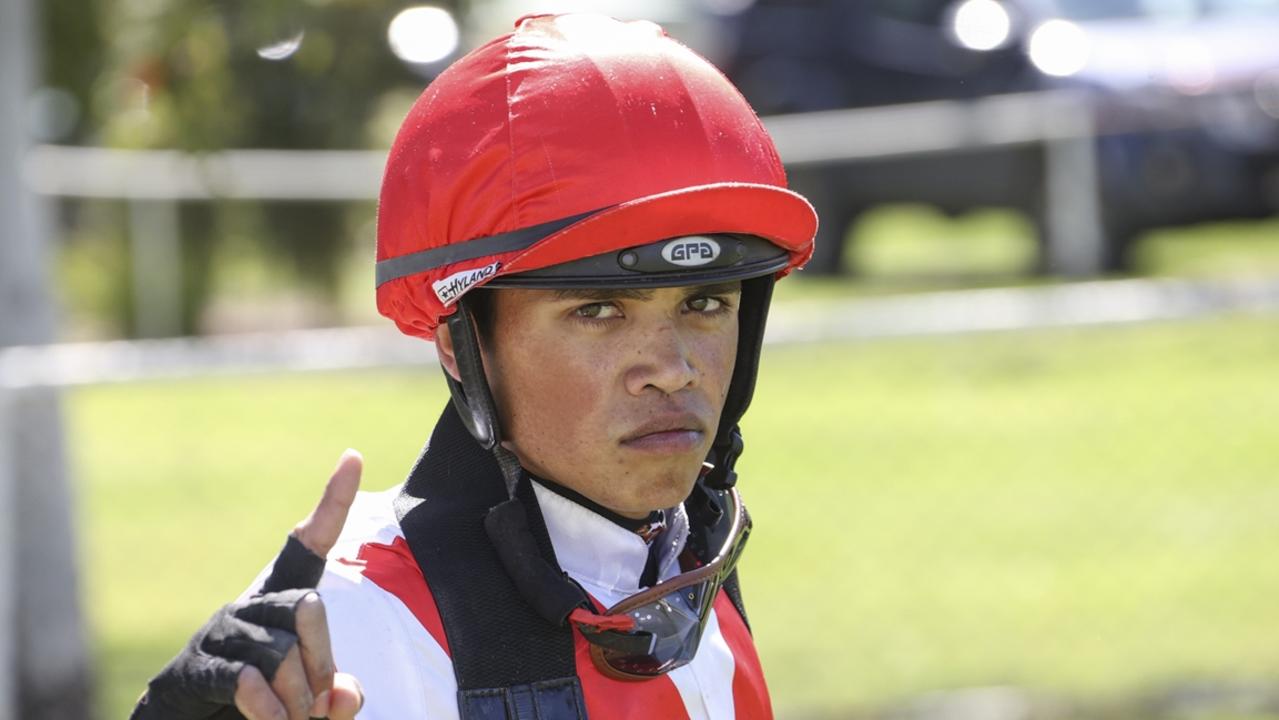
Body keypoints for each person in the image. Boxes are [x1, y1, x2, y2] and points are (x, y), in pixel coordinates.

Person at [131, 12, 816, 720]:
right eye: (599, 311)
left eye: (705, 302)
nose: (673, 369)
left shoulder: (688, 560)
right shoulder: (353, 631)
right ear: (460, 348)